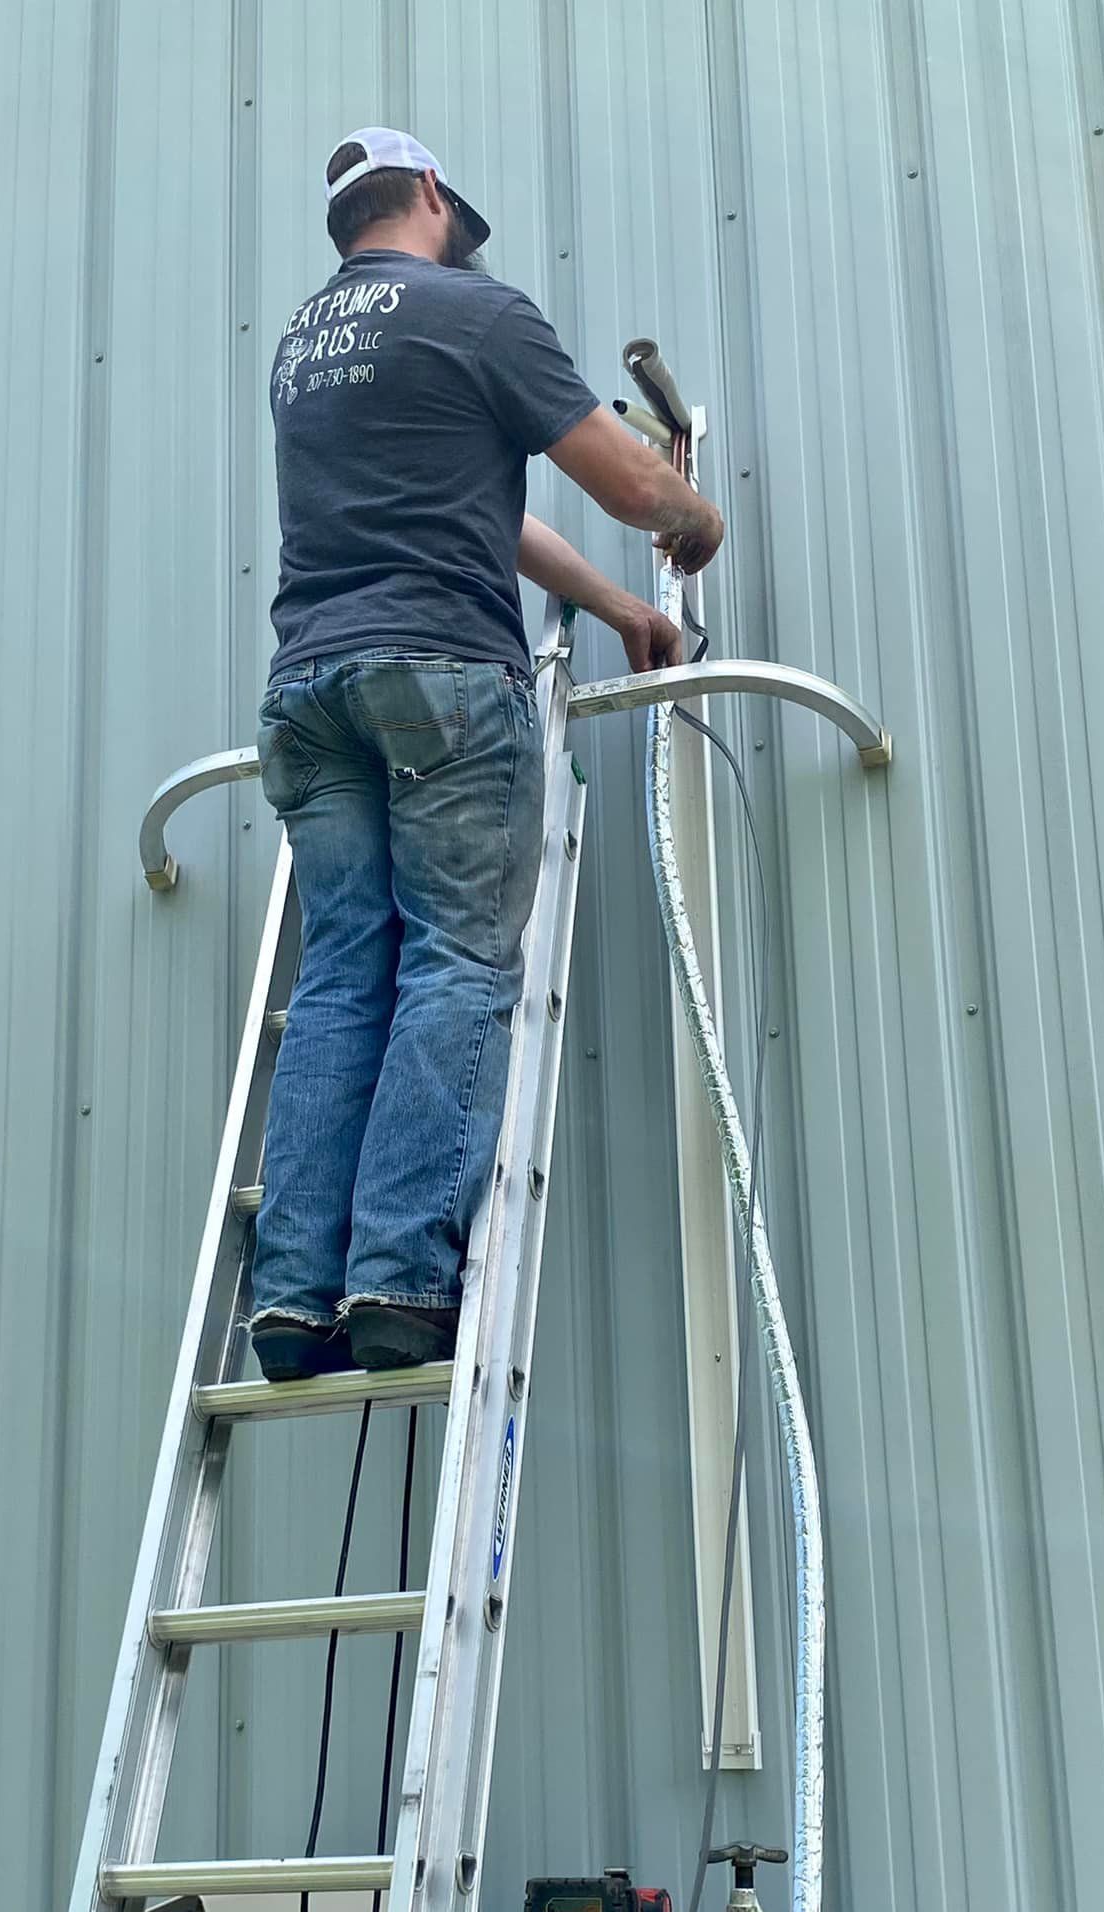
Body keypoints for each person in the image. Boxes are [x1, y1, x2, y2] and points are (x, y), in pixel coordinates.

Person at [249, 126, 725, 1381]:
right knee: (456, 959)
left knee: (348, 975)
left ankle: (295, 1296)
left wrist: (623, 614)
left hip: (310, 689)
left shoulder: (306, 349)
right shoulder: (475, 312)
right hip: (441, 684)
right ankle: (400, 1276)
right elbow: (623, 484)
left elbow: (486, 509)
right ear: (428, 196)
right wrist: (693, 516)